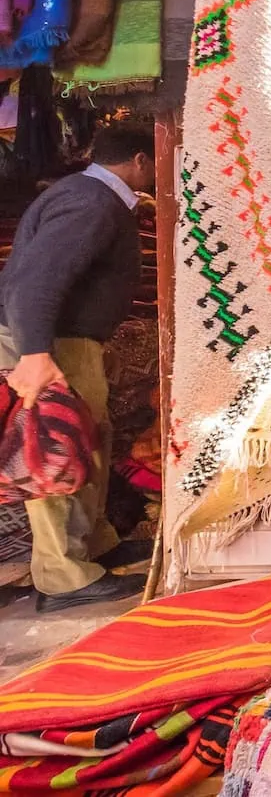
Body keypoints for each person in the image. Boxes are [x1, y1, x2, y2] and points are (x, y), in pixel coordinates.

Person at [0, 125, 155, 611]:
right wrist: (34, 353)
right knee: (53, 449)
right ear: (139, 160)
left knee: (88, 443)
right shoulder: (90, 202)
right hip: (51, 343)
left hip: (67, 340)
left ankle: (94, 547)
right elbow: (37, 278)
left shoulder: (88, 198)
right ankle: (62, 576)